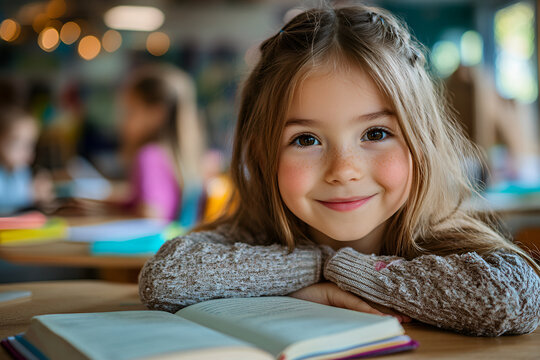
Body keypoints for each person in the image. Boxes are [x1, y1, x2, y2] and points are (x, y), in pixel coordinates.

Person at [138, 4, 540, 336]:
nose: (343, 171)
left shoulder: (447, 241)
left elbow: (512, 300)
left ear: (422, 141)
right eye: (306, 140)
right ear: (262, 154)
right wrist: (313, 270)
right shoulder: (255, 234)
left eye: (376, 133)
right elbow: (166, 279)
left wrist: (340, 270)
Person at [77, 64, 205, 222]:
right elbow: (142, 202)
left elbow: (151, 214)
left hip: (151, 245)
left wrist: (100, 212)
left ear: (157, 114)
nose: (122, 121)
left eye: (130, 112)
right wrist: (98, 203)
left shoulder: (149, 155)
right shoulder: (174, 154)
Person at [0, 107, 54, 215]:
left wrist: (41, 190)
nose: (26, 152)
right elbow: (4, 197)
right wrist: (31, 193)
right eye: (18, 145)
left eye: (30, 145)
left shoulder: (21, 170)